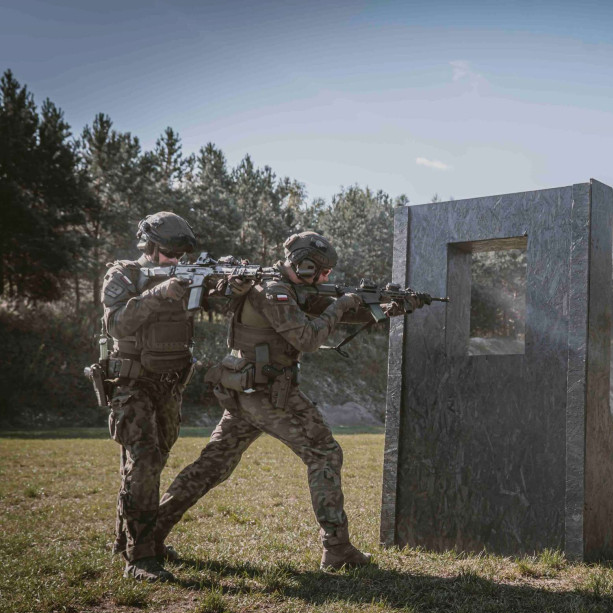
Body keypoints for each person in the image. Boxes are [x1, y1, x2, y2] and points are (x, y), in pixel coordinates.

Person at [153, 231, 417, 571]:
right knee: (324, 452)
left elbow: (330, 310)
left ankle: (149, 534)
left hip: (249, 389)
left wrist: (384, 309)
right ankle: (337, 549)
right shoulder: (273, 290)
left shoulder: (286, 288)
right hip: (266, 392)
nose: (327, 278)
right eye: (323, 271)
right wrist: (344, 303)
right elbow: (308, 337)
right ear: (305, 266)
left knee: (212, 465)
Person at [103, 212, 201, 581]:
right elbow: (116, 323)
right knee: (142, 463)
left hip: (169, 385)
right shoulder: (124, 275)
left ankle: (124, 542)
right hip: (133, 384)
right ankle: (140, 558)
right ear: (150, 246)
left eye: (180, 254)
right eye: (169, 253)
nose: (175, 261)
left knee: (150, 463)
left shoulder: (185, 277)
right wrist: (157, 294)